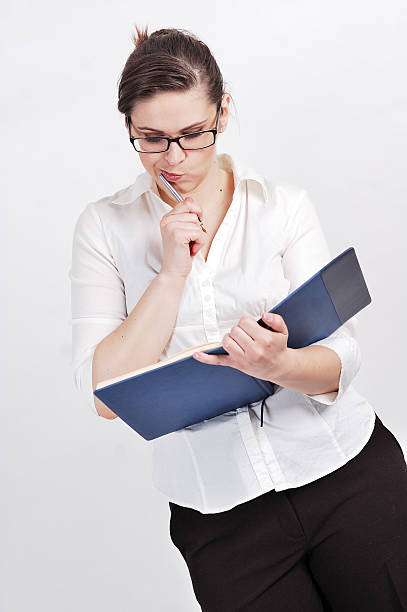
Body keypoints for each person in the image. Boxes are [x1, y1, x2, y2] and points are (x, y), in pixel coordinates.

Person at [69, 26, 407, 611]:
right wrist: (171, 274)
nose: (174, 160)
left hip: (348, 475)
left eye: (193, 134)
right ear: (128, 126)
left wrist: (282, 363)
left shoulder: (282, 207)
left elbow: (343, 356)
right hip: (222, 518)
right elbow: (104, 393)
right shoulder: (104, 227)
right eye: (151, 139)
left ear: (223, 113)